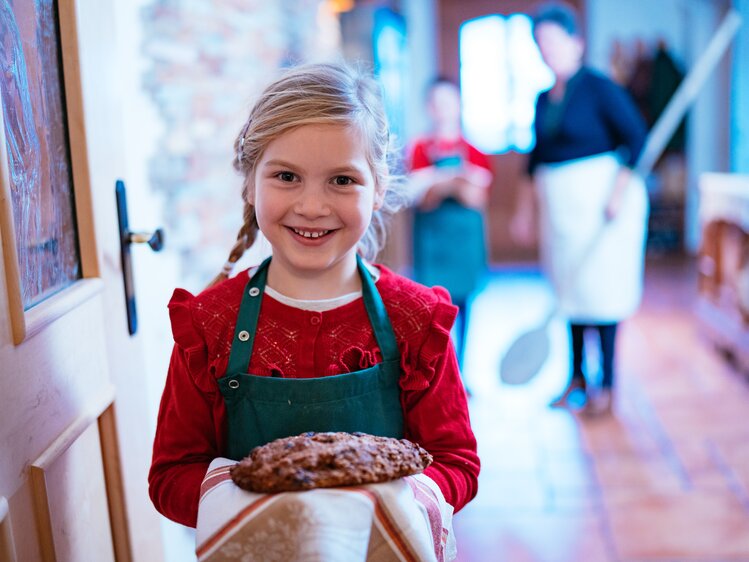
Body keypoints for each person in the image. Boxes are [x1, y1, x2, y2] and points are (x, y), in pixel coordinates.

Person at [148, 62, 480, 534]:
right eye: (286, 176)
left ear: (379, 188)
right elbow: (170, 476)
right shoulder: (209, 325)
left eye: (342, 180)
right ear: (249, 183)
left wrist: (389, 508)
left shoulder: (417, 319)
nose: (312, 206)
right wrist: (270, 511)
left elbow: (456, 461)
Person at [510, 3, 648, 416]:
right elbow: (535, 160)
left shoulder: (599, 87)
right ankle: (575, 379)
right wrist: (524, 210)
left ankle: (607, 383)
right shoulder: (542, 99)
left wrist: (618, 192)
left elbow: (636, 139)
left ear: (576, 42)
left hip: (602, 206)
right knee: (568, 292)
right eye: (541, 43)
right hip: (561, 211)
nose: (548, 50)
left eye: (554, 41)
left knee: (602, 294)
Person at [406, 78, 493, 385]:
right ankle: (438, 375)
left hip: (464, 240)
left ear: (458, 104)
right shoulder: (417, 148)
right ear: (429, 107)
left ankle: (463, 373)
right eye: (436, 102)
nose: (443, 109)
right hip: (433, 241)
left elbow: (476, 197)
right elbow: (422, 199)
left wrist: (439, 184)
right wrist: (455, 183)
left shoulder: (474, 150)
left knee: (466, 304)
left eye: (449, 101)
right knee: (434, 309)